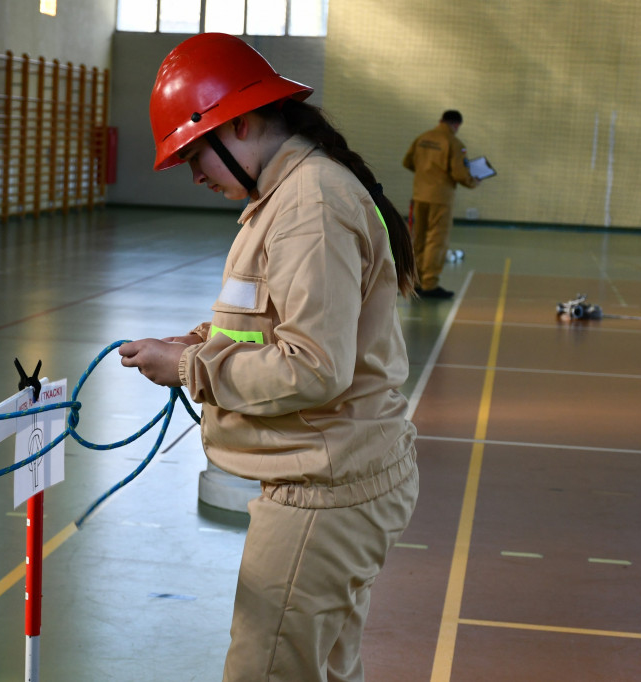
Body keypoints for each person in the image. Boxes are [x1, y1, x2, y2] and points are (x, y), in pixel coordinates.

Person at [118, 33, 419, 682]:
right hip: (331, 478)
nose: (196, 176)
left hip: (325, 489)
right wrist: (198, 344)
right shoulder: (286, 198)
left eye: (197, 156)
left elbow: (313, 365)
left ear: (245, 123)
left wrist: (193, 371)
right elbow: (274, 329)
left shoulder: (310, 205)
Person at [402, 110, 478, 299]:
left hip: (420, 195)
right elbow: (460, 174)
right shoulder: (454, 143)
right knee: (436, 240)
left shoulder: (422, 138)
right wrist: (473, 181)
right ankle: (430, 285)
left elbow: (408, 161)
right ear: (456, 125)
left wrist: (425, 175)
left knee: (418, 238)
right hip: (440, 199)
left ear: (440, 121)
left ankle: (416, 282)